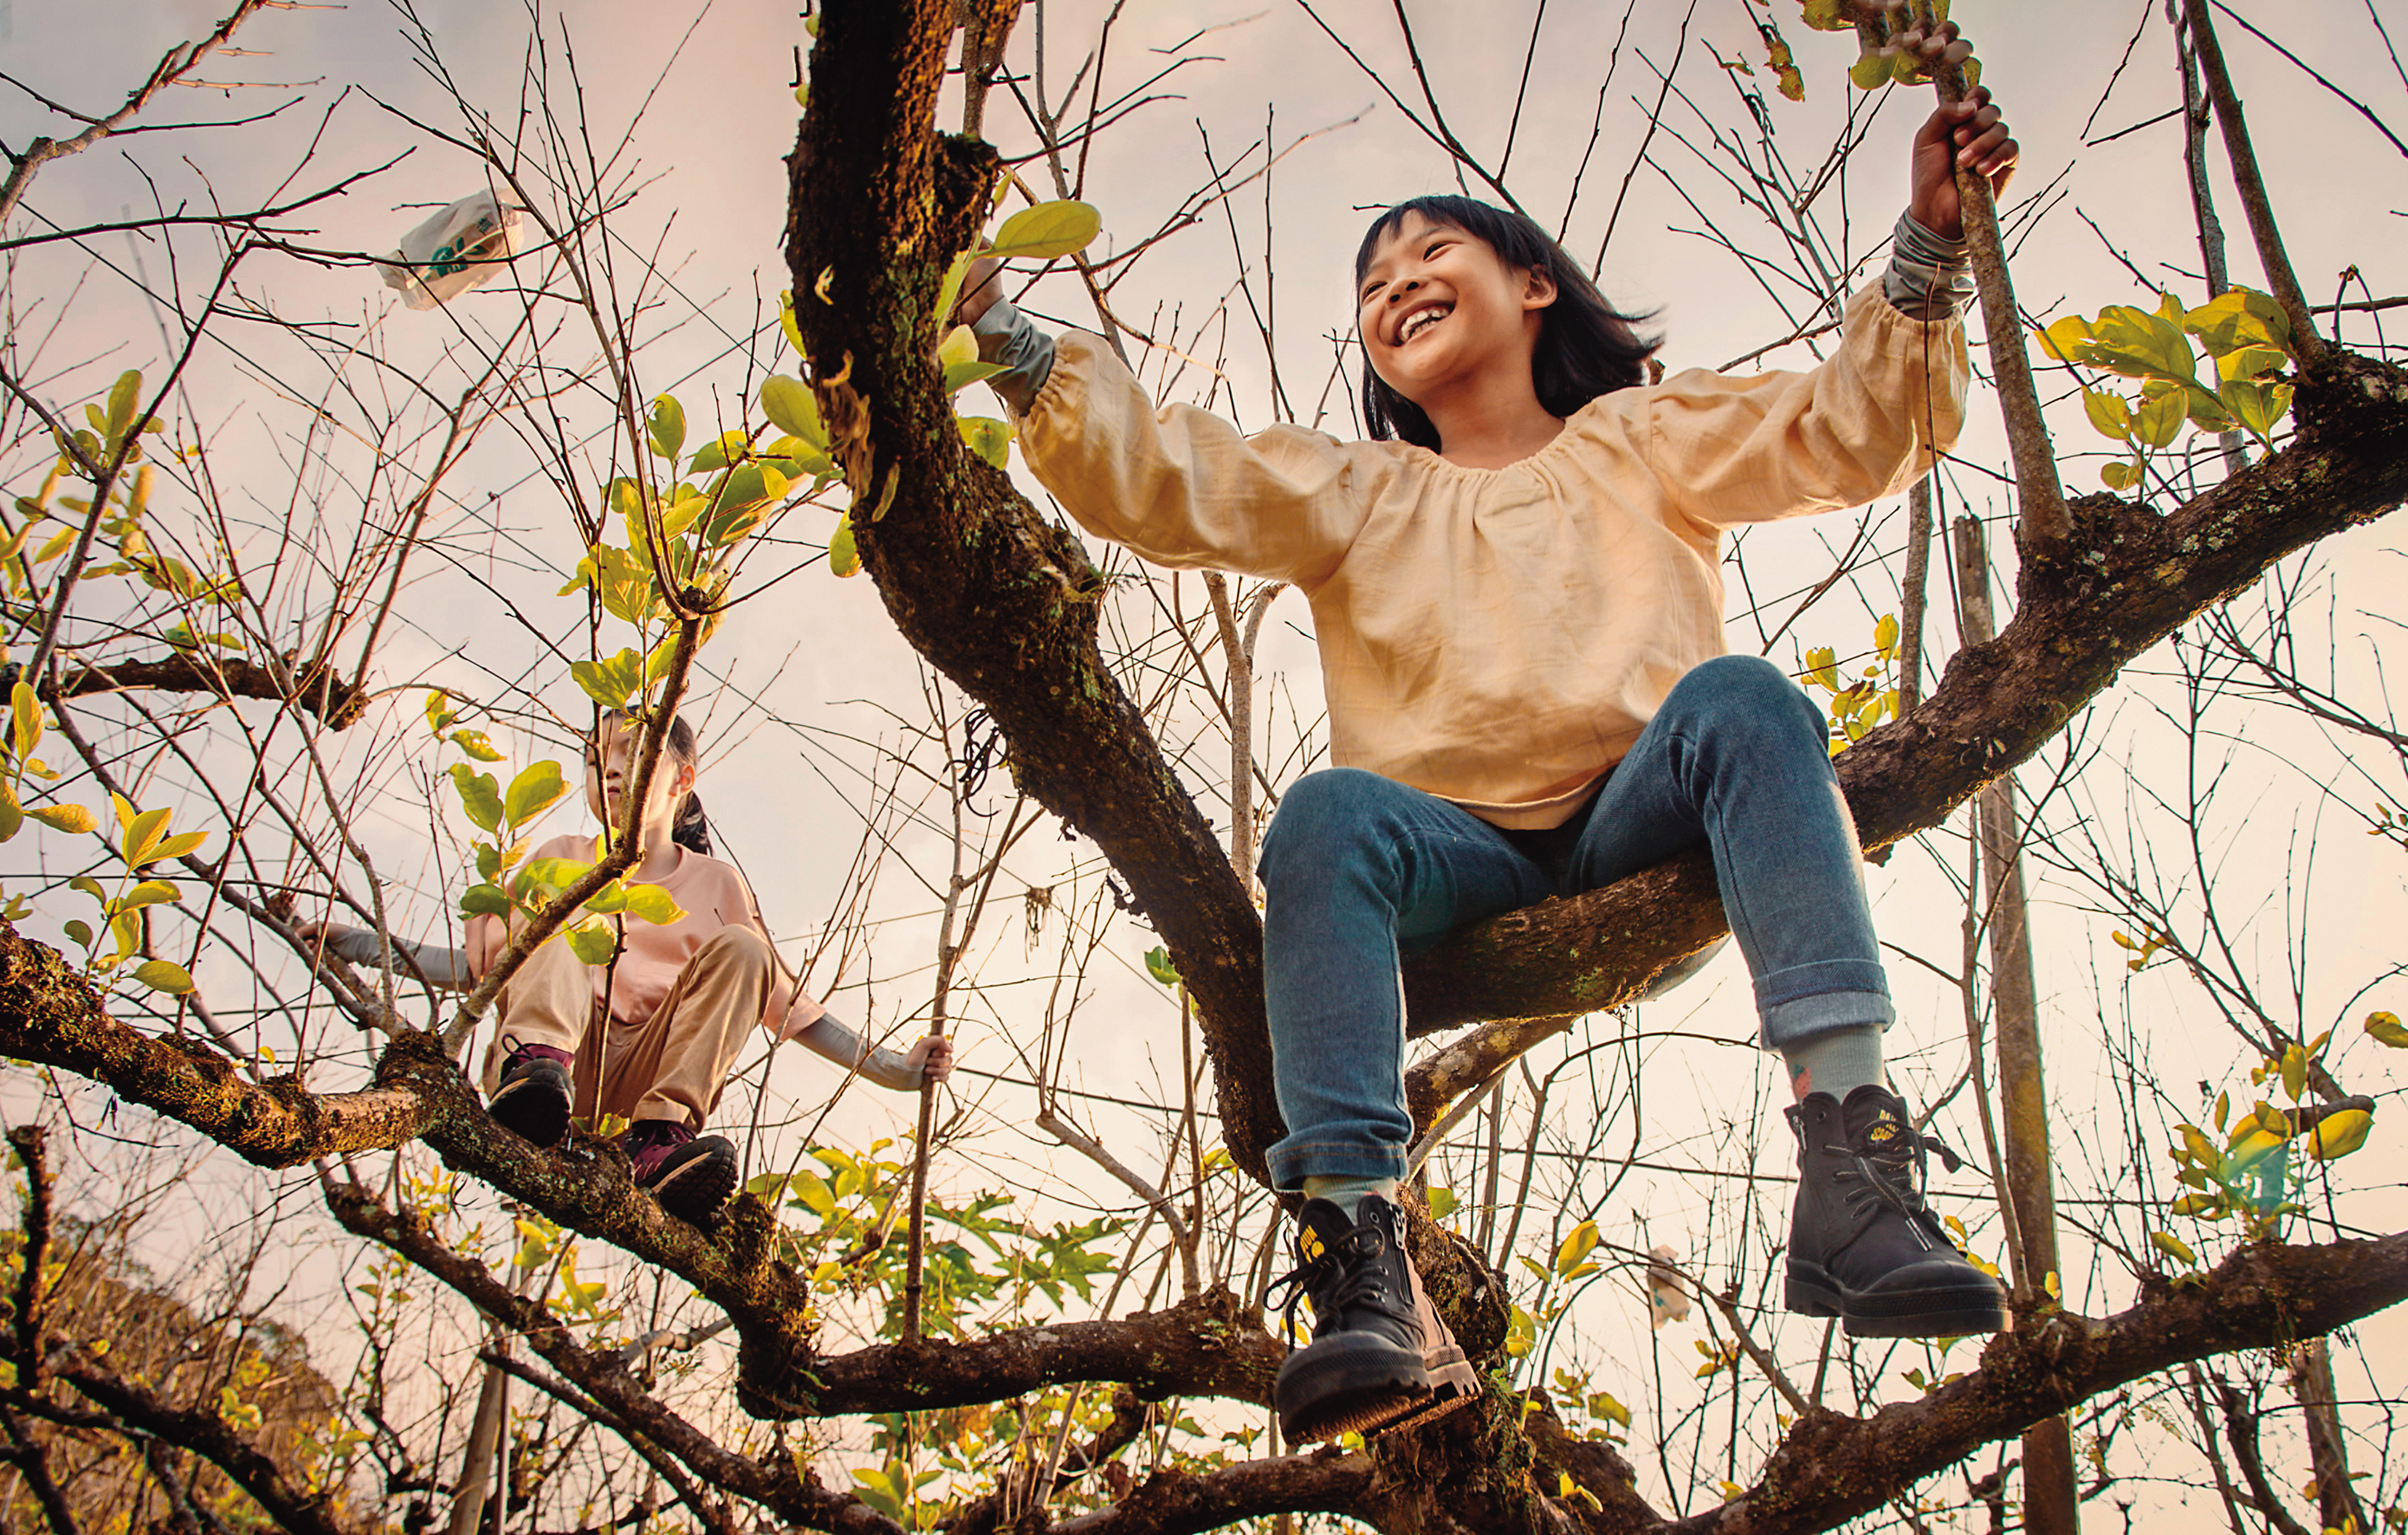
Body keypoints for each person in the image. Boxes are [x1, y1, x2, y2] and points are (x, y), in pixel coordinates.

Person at [951, 21, 2018, 1442]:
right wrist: (1007, 336)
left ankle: (1852, 1168)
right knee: (1323, 813)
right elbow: (1170, 478)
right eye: (1372, 285)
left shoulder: (1642, 439)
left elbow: (1848, 431)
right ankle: (1359, 1256)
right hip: (1448, 869)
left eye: (1425, 254)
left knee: (1745, 697)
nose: (1395, 285)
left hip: (1650, 818)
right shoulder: (1357, 491)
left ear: (1529, 284)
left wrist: (1929, 253)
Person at [302, 712, 952, 1227]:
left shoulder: (715, 882)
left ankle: (659, 1140)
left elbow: (791, 1008)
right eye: (593, 760)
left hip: (645, 1068)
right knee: (570, 904)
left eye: (632, 758)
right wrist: (356, 943)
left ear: (682, 779)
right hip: (554, 1056)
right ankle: (533, 1077)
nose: (609, 773)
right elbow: (481, 970)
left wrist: (895, 1070)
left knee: (745, 951)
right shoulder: (558, 856)